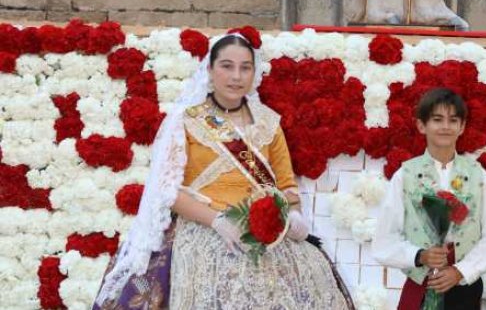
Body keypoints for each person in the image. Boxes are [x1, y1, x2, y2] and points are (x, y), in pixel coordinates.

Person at [93, 32, 354, 309]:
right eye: (227, 66)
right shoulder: (187, 121)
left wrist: (294, 214)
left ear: (254, 73)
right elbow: (167, 191)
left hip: (266, 238)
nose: (236, 76)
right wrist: (217, 221)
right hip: (203, 231)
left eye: (245, 68)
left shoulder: (268, 123)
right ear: (209, 69)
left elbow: (286, 184)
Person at [372, 87, 486, 309]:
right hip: (422, 283)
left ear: (462, 127)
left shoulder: (478, 175)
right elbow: (384, 240)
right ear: (421, 125)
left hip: (464, 286)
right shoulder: (405, 176)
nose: (445, 127)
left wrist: (461, 270)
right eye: (437, 119)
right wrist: (420, 255)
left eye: (453, 120)